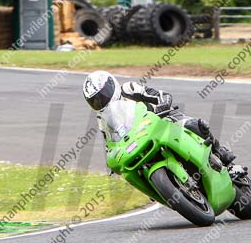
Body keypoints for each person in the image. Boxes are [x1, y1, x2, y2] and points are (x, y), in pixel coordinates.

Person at [83, 71, 240, 172]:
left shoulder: (129, 88)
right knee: (133, 169)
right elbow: (110, 144)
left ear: (111, 86)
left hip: (163, 120)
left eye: (102, 96)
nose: (100, 102)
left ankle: (220, 151)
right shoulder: (102, 119)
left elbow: (161, 95)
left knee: (197, 125)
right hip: (138, 139)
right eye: (94, 101)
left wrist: (162, 104)